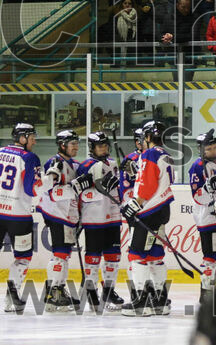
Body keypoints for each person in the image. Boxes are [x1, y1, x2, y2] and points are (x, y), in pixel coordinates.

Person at [120, 120, 175, 316]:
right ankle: (160, 301)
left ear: (149, 136)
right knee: (154, 254)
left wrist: (135, 204)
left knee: (136, 254)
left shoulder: (149, 154)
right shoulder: (166, 154)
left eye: (145, 136)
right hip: (162, 210)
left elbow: (148, 185)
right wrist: (137, 170)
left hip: (148, 211)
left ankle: (140, 302)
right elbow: (161, 179)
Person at [76, 131, 124, 311]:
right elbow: (80, 194)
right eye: (99, 146)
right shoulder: (85, 166)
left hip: (113, 217)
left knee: (113, 257)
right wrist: (98, 190)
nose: (103, 148)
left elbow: (119, 189)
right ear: (92, 148)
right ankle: (91, 290)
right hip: (94, 218)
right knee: (94, 257)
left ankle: (108, 291)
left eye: (105, 145)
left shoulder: (113, 164)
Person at [37, 129, 84, 312]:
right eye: (72, 144)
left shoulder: (72, 164)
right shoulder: (54, 163)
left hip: (66, 215)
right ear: (62, 145)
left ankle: (57, 291)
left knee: (64, 253)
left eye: (77, 143)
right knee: (60, 254)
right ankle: (53, 294)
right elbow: (52, 193)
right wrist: (76, 187)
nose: (76, 147)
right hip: (57, 214)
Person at [186, 130, 216, 304]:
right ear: (201, 150)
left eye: (214, 147)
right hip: (207, 219)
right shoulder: (196, 167)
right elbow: (198, 197)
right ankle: (206, 293)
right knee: (211, 258)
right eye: (208, 149)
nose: (212, 151)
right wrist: (208, 187)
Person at [0, 124, 41, 313]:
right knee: (23, 257)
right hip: (18, 216)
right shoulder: (29, 157)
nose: (34, 141)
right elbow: (31, 189)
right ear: (22, 138)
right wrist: (47, 180)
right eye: (32, 137)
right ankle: (12, 296)